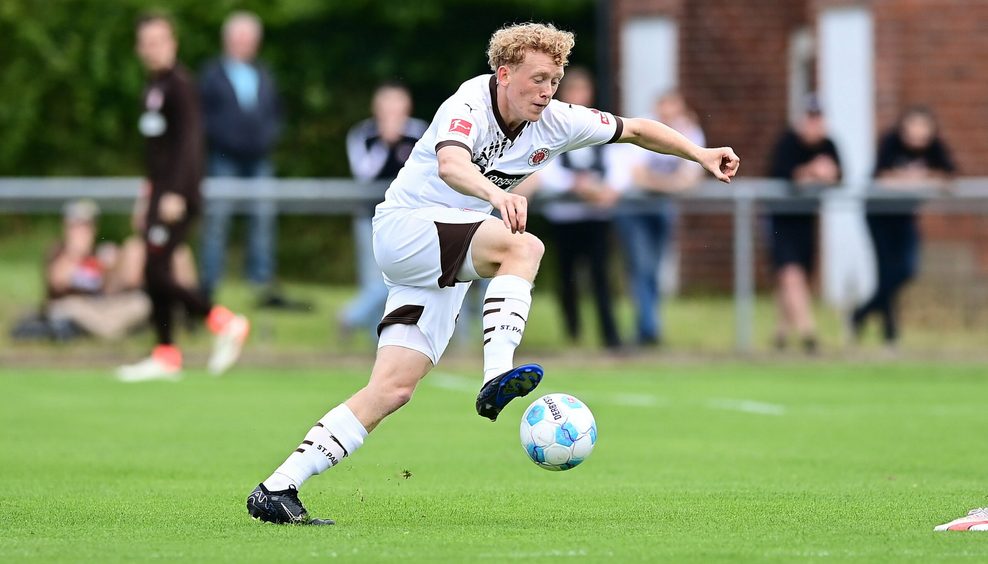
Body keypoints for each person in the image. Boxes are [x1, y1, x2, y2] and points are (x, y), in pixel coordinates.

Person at [245, 22, 739, 525]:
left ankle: (279, 487)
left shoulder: (556, 119)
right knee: (524, 247)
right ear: (504, 74)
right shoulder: (467, 104)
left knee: (392, 389)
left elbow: (634, 129)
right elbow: (452, 166)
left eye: (555, 79)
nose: (547, 91)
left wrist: (700, 154)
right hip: (405, 229)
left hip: (437, 259)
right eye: (538, 78)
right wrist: (497, 194)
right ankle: (496, 371)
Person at [117, 13, 249, 382]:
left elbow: (189, 145)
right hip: (159, 193)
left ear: (172, 42)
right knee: (153, 271)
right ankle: (166, 354)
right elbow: (156, 154)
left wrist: (174, 193)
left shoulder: (180, 85)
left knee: (157, 270)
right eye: (146, 42)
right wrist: (147, 195)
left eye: (158, 41)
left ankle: (224, 322)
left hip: (178, 193)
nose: (152, 49)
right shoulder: (153, 88)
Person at [198, 11, 288, 306]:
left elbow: (275, 112)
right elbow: (203, 117)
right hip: (223, 158)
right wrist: (226, 139)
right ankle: (210, 280)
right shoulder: (212, 74)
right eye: (239, 38)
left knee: (263, 219)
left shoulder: (263, 73)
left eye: (249, 39)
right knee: (217, 220)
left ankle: (260, 282)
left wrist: (267, 137)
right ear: (227, 40)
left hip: (259, 159)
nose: (244, 44)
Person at [851, 106, 954, 348]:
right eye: (913, 127)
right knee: (886, 271)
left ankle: (862, 312)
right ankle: (890, 333)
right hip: (879, 216)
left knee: (906, 269)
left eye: (923, 128)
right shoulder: (891, 142)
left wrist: (912, 180)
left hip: (905, 217)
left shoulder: (933, 148)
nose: (918, 133)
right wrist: (918, 181)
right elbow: (882, 179)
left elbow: (948, 177)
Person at [536, 67, 621, 350]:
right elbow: (542, 168)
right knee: (567, 278)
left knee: (601, 277)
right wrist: (576, 186)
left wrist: (607, 189)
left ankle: (610, 337)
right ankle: (573, 334)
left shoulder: (600, 124)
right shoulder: (551, 126)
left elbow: (622, 161)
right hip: (565, 217)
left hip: (596, 217)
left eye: (584, 90)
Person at [613, 91, 705, 348]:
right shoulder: (644, 127)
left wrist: (662, 185)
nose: (667, 114)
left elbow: (691, 178)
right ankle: (648, 328)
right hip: (634, 208)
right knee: (642, 268)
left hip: (661, 208)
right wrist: (671, 185)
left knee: (652, 270)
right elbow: (639, 176)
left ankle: (649, 327)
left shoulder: (689, 132)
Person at [341, 82, 428, 340]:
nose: (391, 110)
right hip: (371, 218)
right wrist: (386, 144)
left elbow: (425, 172)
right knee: (375, 281)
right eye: (385, 105)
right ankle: (373, 339)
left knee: (400, 280)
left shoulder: (419, 133)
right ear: (376, 108)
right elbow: (364, 174)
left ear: (407, 106)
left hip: (411, 219)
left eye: (397, 103)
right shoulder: (362, 135)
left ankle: (350, 317)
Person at [767, 95, 842, 353]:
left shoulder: (828, 144)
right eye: (810, 118)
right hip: (780, 219)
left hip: (807, 220)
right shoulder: (787, 142)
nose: (814, 124)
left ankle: (780, 332)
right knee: (791, 275)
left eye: (818, 118)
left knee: (797, 277)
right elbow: (783, 175)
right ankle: (809, 333)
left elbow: (840, 175)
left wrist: (828, 174)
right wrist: (812, 171)